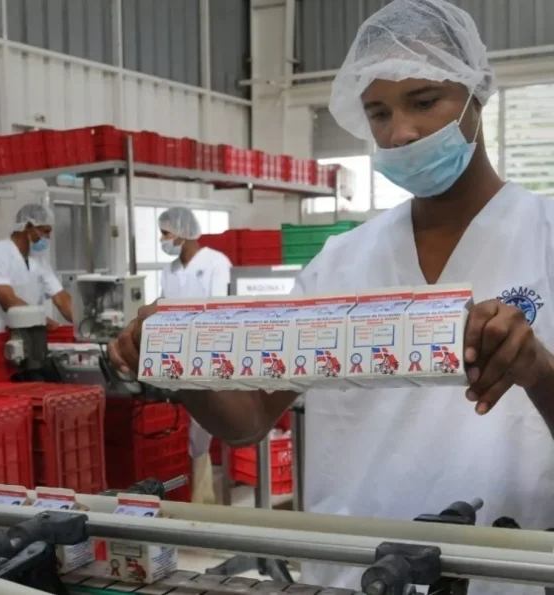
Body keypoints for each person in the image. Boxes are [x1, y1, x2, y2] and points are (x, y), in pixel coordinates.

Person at [109, 1, 554, 593]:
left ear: (476, 92)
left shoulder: (545, 237)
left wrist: (536, 370)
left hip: (505, 571)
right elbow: (247, 421)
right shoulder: (341, 265)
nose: (401, 132)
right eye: (378, 112)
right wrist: (175, 360)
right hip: (351, 573)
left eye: (424, 101)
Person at [157, 207, 232, 505]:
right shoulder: (169, 271)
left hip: (209, 351)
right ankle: (191, 492)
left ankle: (203, 495)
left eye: (166, 233)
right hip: (177, 353)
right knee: (183, 425)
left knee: (203, 424)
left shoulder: (215, 263)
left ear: (184, 231)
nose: (162, 239)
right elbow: (165, 308)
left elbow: (219, 309)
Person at [0, 203, 73, 334]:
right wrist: (43, 321)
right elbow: (9, 302)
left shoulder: (40, 262)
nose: (48, 238)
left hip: (31, 336)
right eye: (45, 231)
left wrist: (85, 322)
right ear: (28, 227)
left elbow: (61, 298)